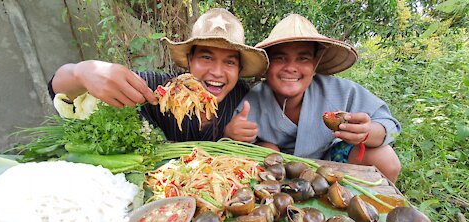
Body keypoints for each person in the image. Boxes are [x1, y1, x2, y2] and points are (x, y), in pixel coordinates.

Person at [225, 14, 402, 182]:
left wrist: (367, 132)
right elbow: (239, 147)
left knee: (385, 158)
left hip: (333, 165)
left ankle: (364, 208)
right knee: (267, 150)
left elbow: (392, 128)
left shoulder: (341, 91)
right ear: (267, 65)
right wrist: (234, 136)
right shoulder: (253, 101)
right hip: (277, 174)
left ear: (315, 64)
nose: (291, 68)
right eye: (280, 58)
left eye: (303, 58)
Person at [48, 8, 268, 142]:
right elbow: (57, 88)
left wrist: (230, 136)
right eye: (206, 57)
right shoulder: (159, 88)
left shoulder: (244, 99)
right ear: (189, 61)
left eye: (229, 62)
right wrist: (81, 73)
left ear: (239, 70)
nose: (217, 72)